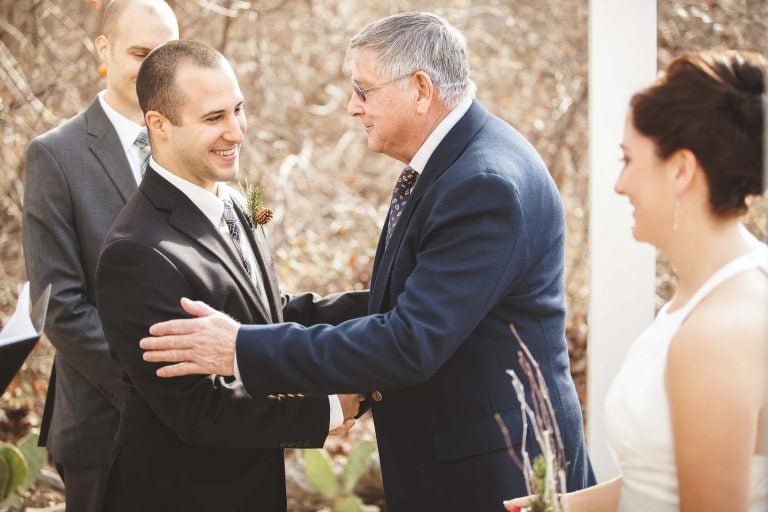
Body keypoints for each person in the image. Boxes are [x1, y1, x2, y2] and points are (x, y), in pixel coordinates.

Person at [140, 12, 596, 511]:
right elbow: (401, 298)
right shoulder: (458, 161)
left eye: (364, 90)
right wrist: (267, 318)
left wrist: (243, 349)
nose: (354, 109)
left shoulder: (482, 184)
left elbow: (409, 342)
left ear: (421, 89)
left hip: (497, 473)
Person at [94, 40, 365, 512]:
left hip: (251, 486)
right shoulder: (137, 253)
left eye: (238, 110)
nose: (236, 131)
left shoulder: (235, 201)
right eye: (213, 118)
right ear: (158, 124)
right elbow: (198, 409)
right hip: (181, 496)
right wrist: (326, 408)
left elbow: (268, 314)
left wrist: (386, 303)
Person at [505, 50, 768, 512]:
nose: (619, 184)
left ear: (681, 170)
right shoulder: (709, 294)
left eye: (628, 159)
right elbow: (663, 478)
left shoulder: (717, 335)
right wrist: (561, 507)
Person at [21, 1, 178, 509]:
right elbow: (56, 302)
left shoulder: (192, 143)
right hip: (104, 423)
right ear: (104, 50)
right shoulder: (56, 155)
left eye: (166, 53)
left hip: (198, 423)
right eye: (139, 52)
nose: (155, 68)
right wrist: (151, 389)